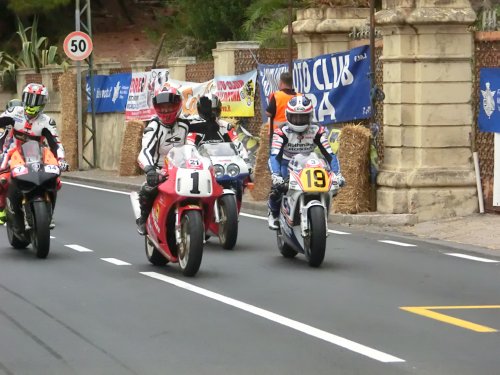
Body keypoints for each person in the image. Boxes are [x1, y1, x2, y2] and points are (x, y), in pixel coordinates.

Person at [267, 95, 344, 230]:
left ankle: (319, 212)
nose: (298, 121)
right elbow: (274, 156)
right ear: (287, 115)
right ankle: (273, 213)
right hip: (286, 164)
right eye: (295, 117)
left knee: (329, 186)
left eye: (302, 117)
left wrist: (337, 174)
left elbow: (329, 154)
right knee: (277, 189)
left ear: (310, 116)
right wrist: (276, 175)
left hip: (309, 162)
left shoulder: (317, 130)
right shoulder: (281, 132)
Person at [0, 83, 68, 228]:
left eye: (36, 100)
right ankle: (2, 209)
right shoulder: (14, 112)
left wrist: (61, 160)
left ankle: (49, 212)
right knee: (2, 178)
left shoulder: (47, 122)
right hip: (13, 152)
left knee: (55, 180)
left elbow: (55, 143)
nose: (32, 104)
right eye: (29, 98)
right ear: (23, 98)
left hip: (38, 154)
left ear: (43, 103)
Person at [136, 86, 189, 235]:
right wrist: (150, 170)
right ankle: (144, 219)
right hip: (160, 169)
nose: (165, 110)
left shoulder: (185, 124)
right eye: (162, 106)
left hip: (183, 169)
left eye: (169, 106)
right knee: (147, 189)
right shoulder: (154, 127)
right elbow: (145, 151)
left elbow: (195, 146)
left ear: (177, 104)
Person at [186, 93, 251, 166]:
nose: (212, 115)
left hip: (226, 165)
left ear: (219, 111)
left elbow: (239, 145)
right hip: (204, 165)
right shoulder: (196, 128)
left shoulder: (226, 126)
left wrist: (246, 160)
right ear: (201, 111)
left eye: (214, 111)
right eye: (209, 112)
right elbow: (190, 148)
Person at [265, 72, 298, 147]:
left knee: (277, 155)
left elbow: (268, 113)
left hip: (278, 133)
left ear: (281, 82)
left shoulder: (277, 96)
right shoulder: (300, 96)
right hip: (296, 133)